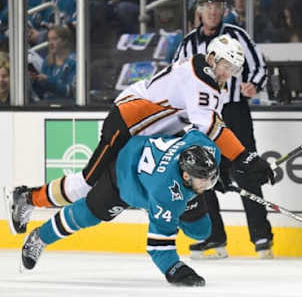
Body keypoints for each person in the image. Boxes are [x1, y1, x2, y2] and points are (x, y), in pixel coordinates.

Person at [4, 34, 274, 240]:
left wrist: (225, 167)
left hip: (149, 134)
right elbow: (208, 126)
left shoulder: (213, 81)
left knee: (112, 186)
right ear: (213, 58)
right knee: (86, 184)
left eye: (234, 70)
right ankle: (27, 198)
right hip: (128, 121)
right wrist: (244, 157)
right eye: (226, 65)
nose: (228, 73)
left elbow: (204, 129)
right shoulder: (202, 78)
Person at [21, 130, 220, 287]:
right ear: (186, 176)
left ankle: (178, 203)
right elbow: (158, 247)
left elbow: (204, 133)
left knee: (201, 231)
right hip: (124, 176)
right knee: (88, 214)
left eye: (212, 179)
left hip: (149, 158)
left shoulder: (205, 147)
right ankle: (41, 236)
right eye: (205, 181)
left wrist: (225, 174)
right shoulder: (165, 194)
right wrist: (176, 270)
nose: (209, 184)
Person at [173, 0, 273, 259]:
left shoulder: (236, 35)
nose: (212, 11)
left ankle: (261, 236)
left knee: (246, 169)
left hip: (233, 110)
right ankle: (212, 235)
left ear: (223, 9)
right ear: (199, 9)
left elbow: (259, 66)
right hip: (201, 114)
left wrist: (254, 84)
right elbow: (176, 76)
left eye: (217, 6)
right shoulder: (187, 44)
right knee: (201, 171)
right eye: (207, 5)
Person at [31, 25, 76, 102]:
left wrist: (48, 81)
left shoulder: (74, 61)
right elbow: (41, 93)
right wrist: (35, 81)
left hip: (68, 106)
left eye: (55, 39)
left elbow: (71, 91)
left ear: (65, 41)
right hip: (47, 105)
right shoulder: (47, 61)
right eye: (49, 40)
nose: (51, 43)